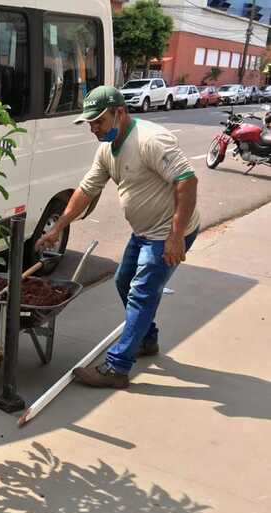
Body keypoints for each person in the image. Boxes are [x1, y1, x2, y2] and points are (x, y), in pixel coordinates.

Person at [36, 85, 200, 389]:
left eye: (99, 121)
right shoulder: (105, 150)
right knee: (124, 281)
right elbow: (86, 190)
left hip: (168, 233)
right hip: (144, 231)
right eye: (90, 123)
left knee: (141, 291)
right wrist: (57, 227)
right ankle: (146, 339)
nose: (94, 129)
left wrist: (176, 237)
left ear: (120, 112)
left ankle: (116, 367)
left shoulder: (150, 140)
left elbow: (187, 182)